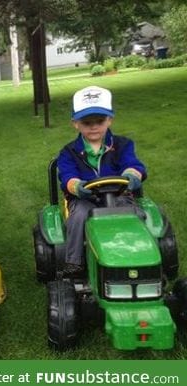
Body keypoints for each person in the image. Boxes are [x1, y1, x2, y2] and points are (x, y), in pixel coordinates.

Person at [57, 86, 147, 276]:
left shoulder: (123, 145)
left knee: (136, 214)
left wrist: (132, 176)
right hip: (84, 199)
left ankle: (143, 257)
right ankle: (74, 261)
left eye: (99, 121)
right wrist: (77, 186)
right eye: (87, 122)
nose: (93, 126)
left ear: (109, 120)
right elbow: (67, 176)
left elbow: (132, 164)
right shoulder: (69, 152)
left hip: (120, 195)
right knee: (80, 214)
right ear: (75, 123)